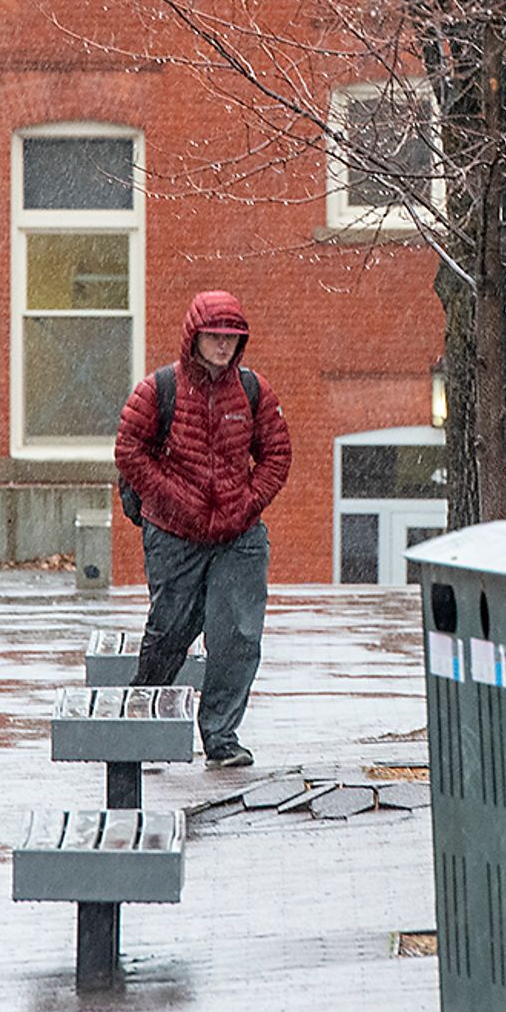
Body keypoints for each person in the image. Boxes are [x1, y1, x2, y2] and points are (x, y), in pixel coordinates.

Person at [115, 289, 293, 772]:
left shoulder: (254, 391)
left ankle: (221, 735)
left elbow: (277, 455)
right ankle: (142, 723)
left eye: (232, 338)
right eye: (214, 336)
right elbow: (129, 452)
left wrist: (247, 502)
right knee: (171, 628)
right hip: (174, 533)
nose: (222, 346)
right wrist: (175, 499)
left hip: (238, 534)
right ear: (193, 337)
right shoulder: (159, 389)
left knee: (236, 635)